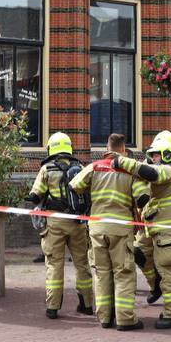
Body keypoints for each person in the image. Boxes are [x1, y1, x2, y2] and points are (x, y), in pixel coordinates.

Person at [113, 133, 171, 329]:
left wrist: (121, 161)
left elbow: (151, 173)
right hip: (167, 231)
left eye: (156, 155)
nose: (153, 158)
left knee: (169, 273)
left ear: (166, 154)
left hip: (168, 234)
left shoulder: (168, 171)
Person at [70, 133, 142, 331]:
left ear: (107, 148)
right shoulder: (128, 170)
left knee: (101, 273)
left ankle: (104, 317)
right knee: (123, 272)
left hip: (97, 227)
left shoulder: (94, 167)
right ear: (123, 149)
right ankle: (125, 319)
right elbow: (142, 196)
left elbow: (74, 185)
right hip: (120, 228)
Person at [27, 132, 93, 319]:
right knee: (82, 264)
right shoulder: (80, 167)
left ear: (51, 148)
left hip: (55, 223)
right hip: (78, 222)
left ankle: (53, 307)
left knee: (55, 264)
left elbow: (36, 195)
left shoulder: (47, 169)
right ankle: (87, 304)